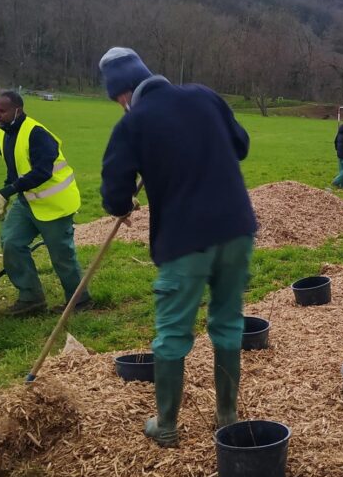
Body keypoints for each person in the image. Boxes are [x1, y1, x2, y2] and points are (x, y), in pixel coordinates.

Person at [98, 47, 257, 448]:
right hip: (236, 227)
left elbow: (114, 191)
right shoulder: (204, 96)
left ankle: (166, 425)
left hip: (185, 239)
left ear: (122, 94)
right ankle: (227, 418)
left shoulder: (133, 123)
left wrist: (123, 202)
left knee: (172, 331)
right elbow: (240, 145)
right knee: (227, 322)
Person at [0, 91, 87, 315]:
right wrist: (6, 197)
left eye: (2, 111)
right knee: (11, 242)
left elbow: (42, 172)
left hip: (55, 203)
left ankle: (80, 301)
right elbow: (14, 171)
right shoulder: (4, 134)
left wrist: (5, 191)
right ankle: (31, 298)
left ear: (17, 109)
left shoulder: (37, 134)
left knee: (61, 256)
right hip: (27, 202)